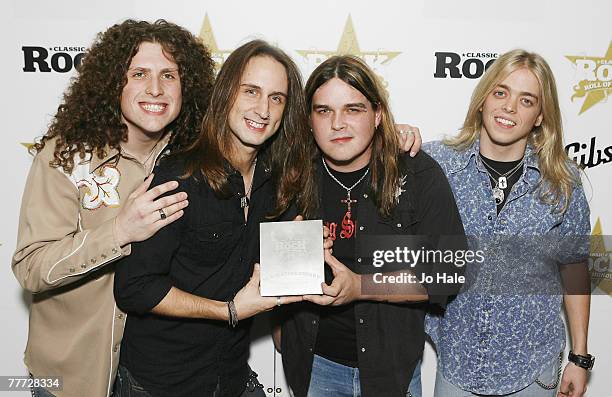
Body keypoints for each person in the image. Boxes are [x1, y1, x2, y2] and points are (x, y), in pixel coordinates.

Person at [11, 19, 215, 397]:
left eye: (169, 75)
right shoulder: (65, 156)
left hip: (156, 378)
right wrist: (118, 232)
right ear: (113, 83)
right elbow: (31, 266)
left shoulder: (193, 160)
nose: (156, 88)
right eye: (139, 73)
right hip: (68, 379)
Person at [112, 39, 318, 397]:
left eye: (276, 98)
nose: (263, 109)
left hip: (232, 375)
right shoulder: (179, 177)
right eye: (251, 91)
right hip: (162, 383)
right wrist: (229, 311)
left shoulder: (278, 180)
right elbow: (134, 288)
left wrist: (302, 254)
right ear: (226, 94)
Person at [277, 55, 467, 397]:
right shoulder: (291, 177)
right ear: (308, 119)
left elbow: (448, 272)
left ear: (377, 115)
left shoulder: (417, 174)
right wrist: (280, 330)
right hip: (314, 368)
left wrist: (362, 286)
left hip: (390, 372)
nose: (338, 124)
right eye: (324, 111)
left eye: (353, 109)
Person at [422, 49, 593, 396]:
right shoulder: (436, 164)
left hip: (532, 371)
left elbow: (574, 269)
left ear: (541, 116)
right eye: (501, 92)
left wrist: (579, 357)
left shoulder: (562, 182)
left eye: (526, 100)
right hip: (457, 367)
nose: (509, 107)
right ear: (483, 99)